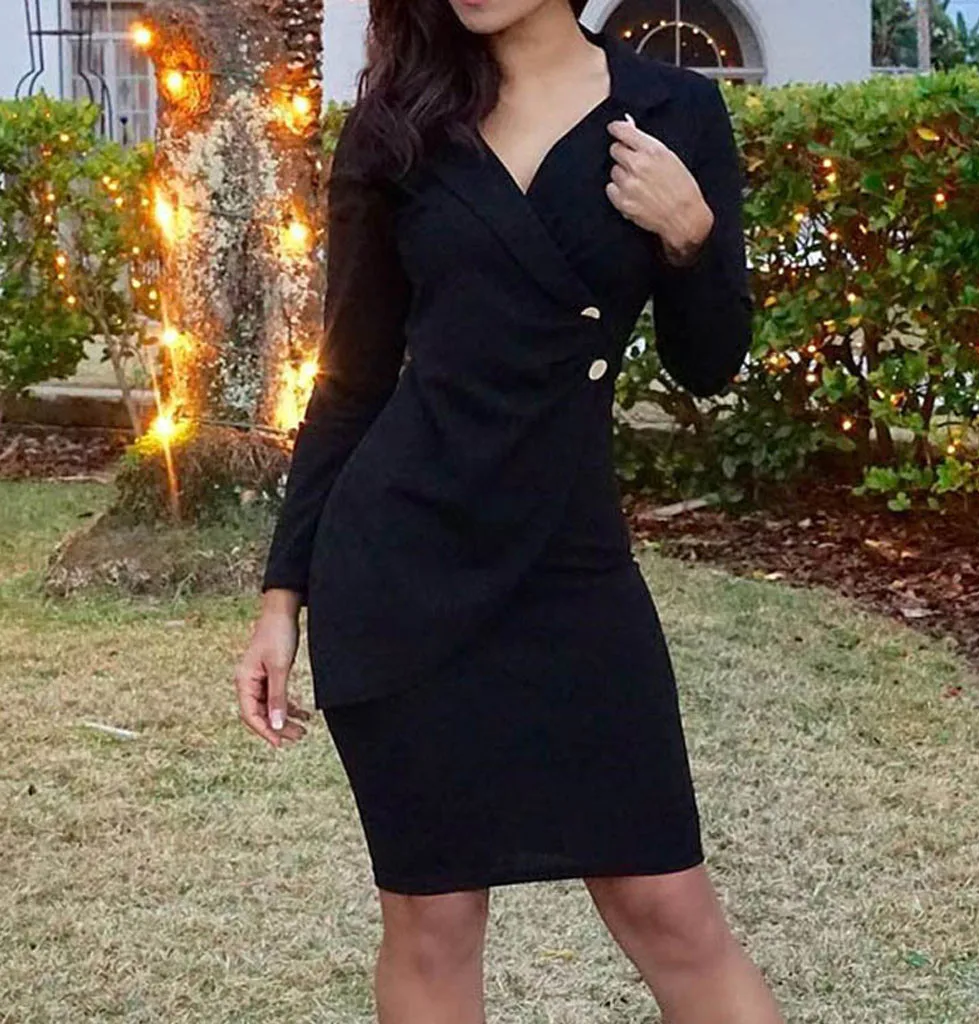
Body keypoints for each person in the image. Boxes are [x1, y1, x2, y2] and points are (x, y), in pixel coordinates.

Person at [234, 1, 785, 1021]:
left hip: (571, 564)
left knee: (669, 908)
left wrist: (691, 235)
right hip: (399, 568)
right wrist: (282, 596)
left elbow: (708, 363)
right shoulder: (398, 126)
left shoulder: (673, 111)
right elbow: (351, 380)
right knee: (433, 920)